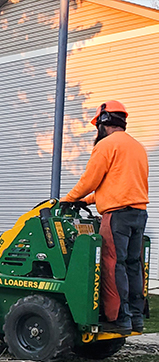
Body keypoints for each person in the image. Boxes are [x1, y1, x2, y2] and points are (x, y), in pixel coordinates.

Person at [62, 100, 149, 333]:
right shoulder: (137, 147)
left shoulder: (107, 145)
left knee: (112, 264)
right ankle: (135, 317)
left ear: (103, 122)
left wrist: (69, 199)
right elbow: (118, 185)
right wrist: (87, 201)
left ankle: (119, 318)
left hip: (117, 216)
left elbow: (91, 180)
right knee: (133, 265)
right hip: (138, 214)